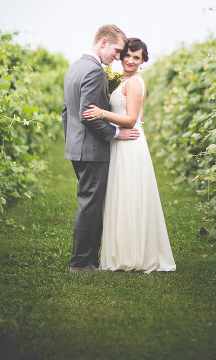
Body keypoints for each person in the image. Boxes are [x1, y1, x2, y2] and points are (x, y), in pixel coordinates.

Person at [83, 38, 177, 273]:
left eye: (137, 57)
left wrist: (101, 113)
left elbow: (131, 119)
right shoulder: (123, 80)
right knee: (121, 196)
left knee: (130, 196)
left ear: (143, 60)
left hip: (130, 144)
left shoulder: (134, 83)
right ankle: (122, 252)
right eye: (128, 55)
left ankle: (133, 254)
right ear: (122, 55)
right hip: (121, 142)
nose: (131, 61)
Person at [62, 25, 141, 273]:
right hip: (92, 149)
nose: (118, 57)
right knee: (90, 206)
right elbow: (88, 115)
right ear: (104, 43)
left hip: (78, 146)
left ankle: (90, 260)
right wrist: (116, 133)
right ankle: (81, 262)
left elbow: (67, 112)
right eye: (117, 51)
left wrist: (72, 141)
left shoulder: (75, 67)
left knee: (90, 203)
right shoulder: (95, 72)